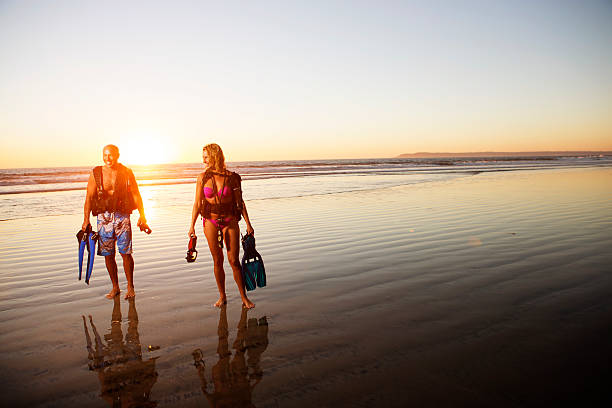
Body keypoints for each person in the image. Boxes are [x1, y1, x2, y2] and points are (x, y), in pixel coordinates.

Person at [188, 143, 255, 309]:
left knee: (234, 261)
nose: (203, 160)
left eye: (206, 157)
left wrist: (248, 223)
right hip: (210, 221)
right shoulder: (202, 177)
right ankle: (222, 296)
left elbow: (240, 202)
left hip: (230, 221)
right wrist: (191, 226)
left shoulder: (232, 177)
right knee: (217, 260)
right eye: (202, 157)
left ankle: (244, 298)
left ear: (215, 156)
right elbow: (197, 203)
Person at [82, 144, 148, 299]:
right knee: (108, 254)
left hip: (122, 216)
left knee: (126, 252)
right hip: (103, 218)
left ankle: (130, 287)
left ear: (117, 155)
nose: (107, 158)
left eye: (110, 154)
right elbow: (89, 198)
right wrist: (86, 220)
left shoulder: (126, 172)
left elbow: (136, 194)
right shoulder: (96, 173)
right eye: (104, 155)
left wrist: (142, 215)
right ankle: (115, 287)